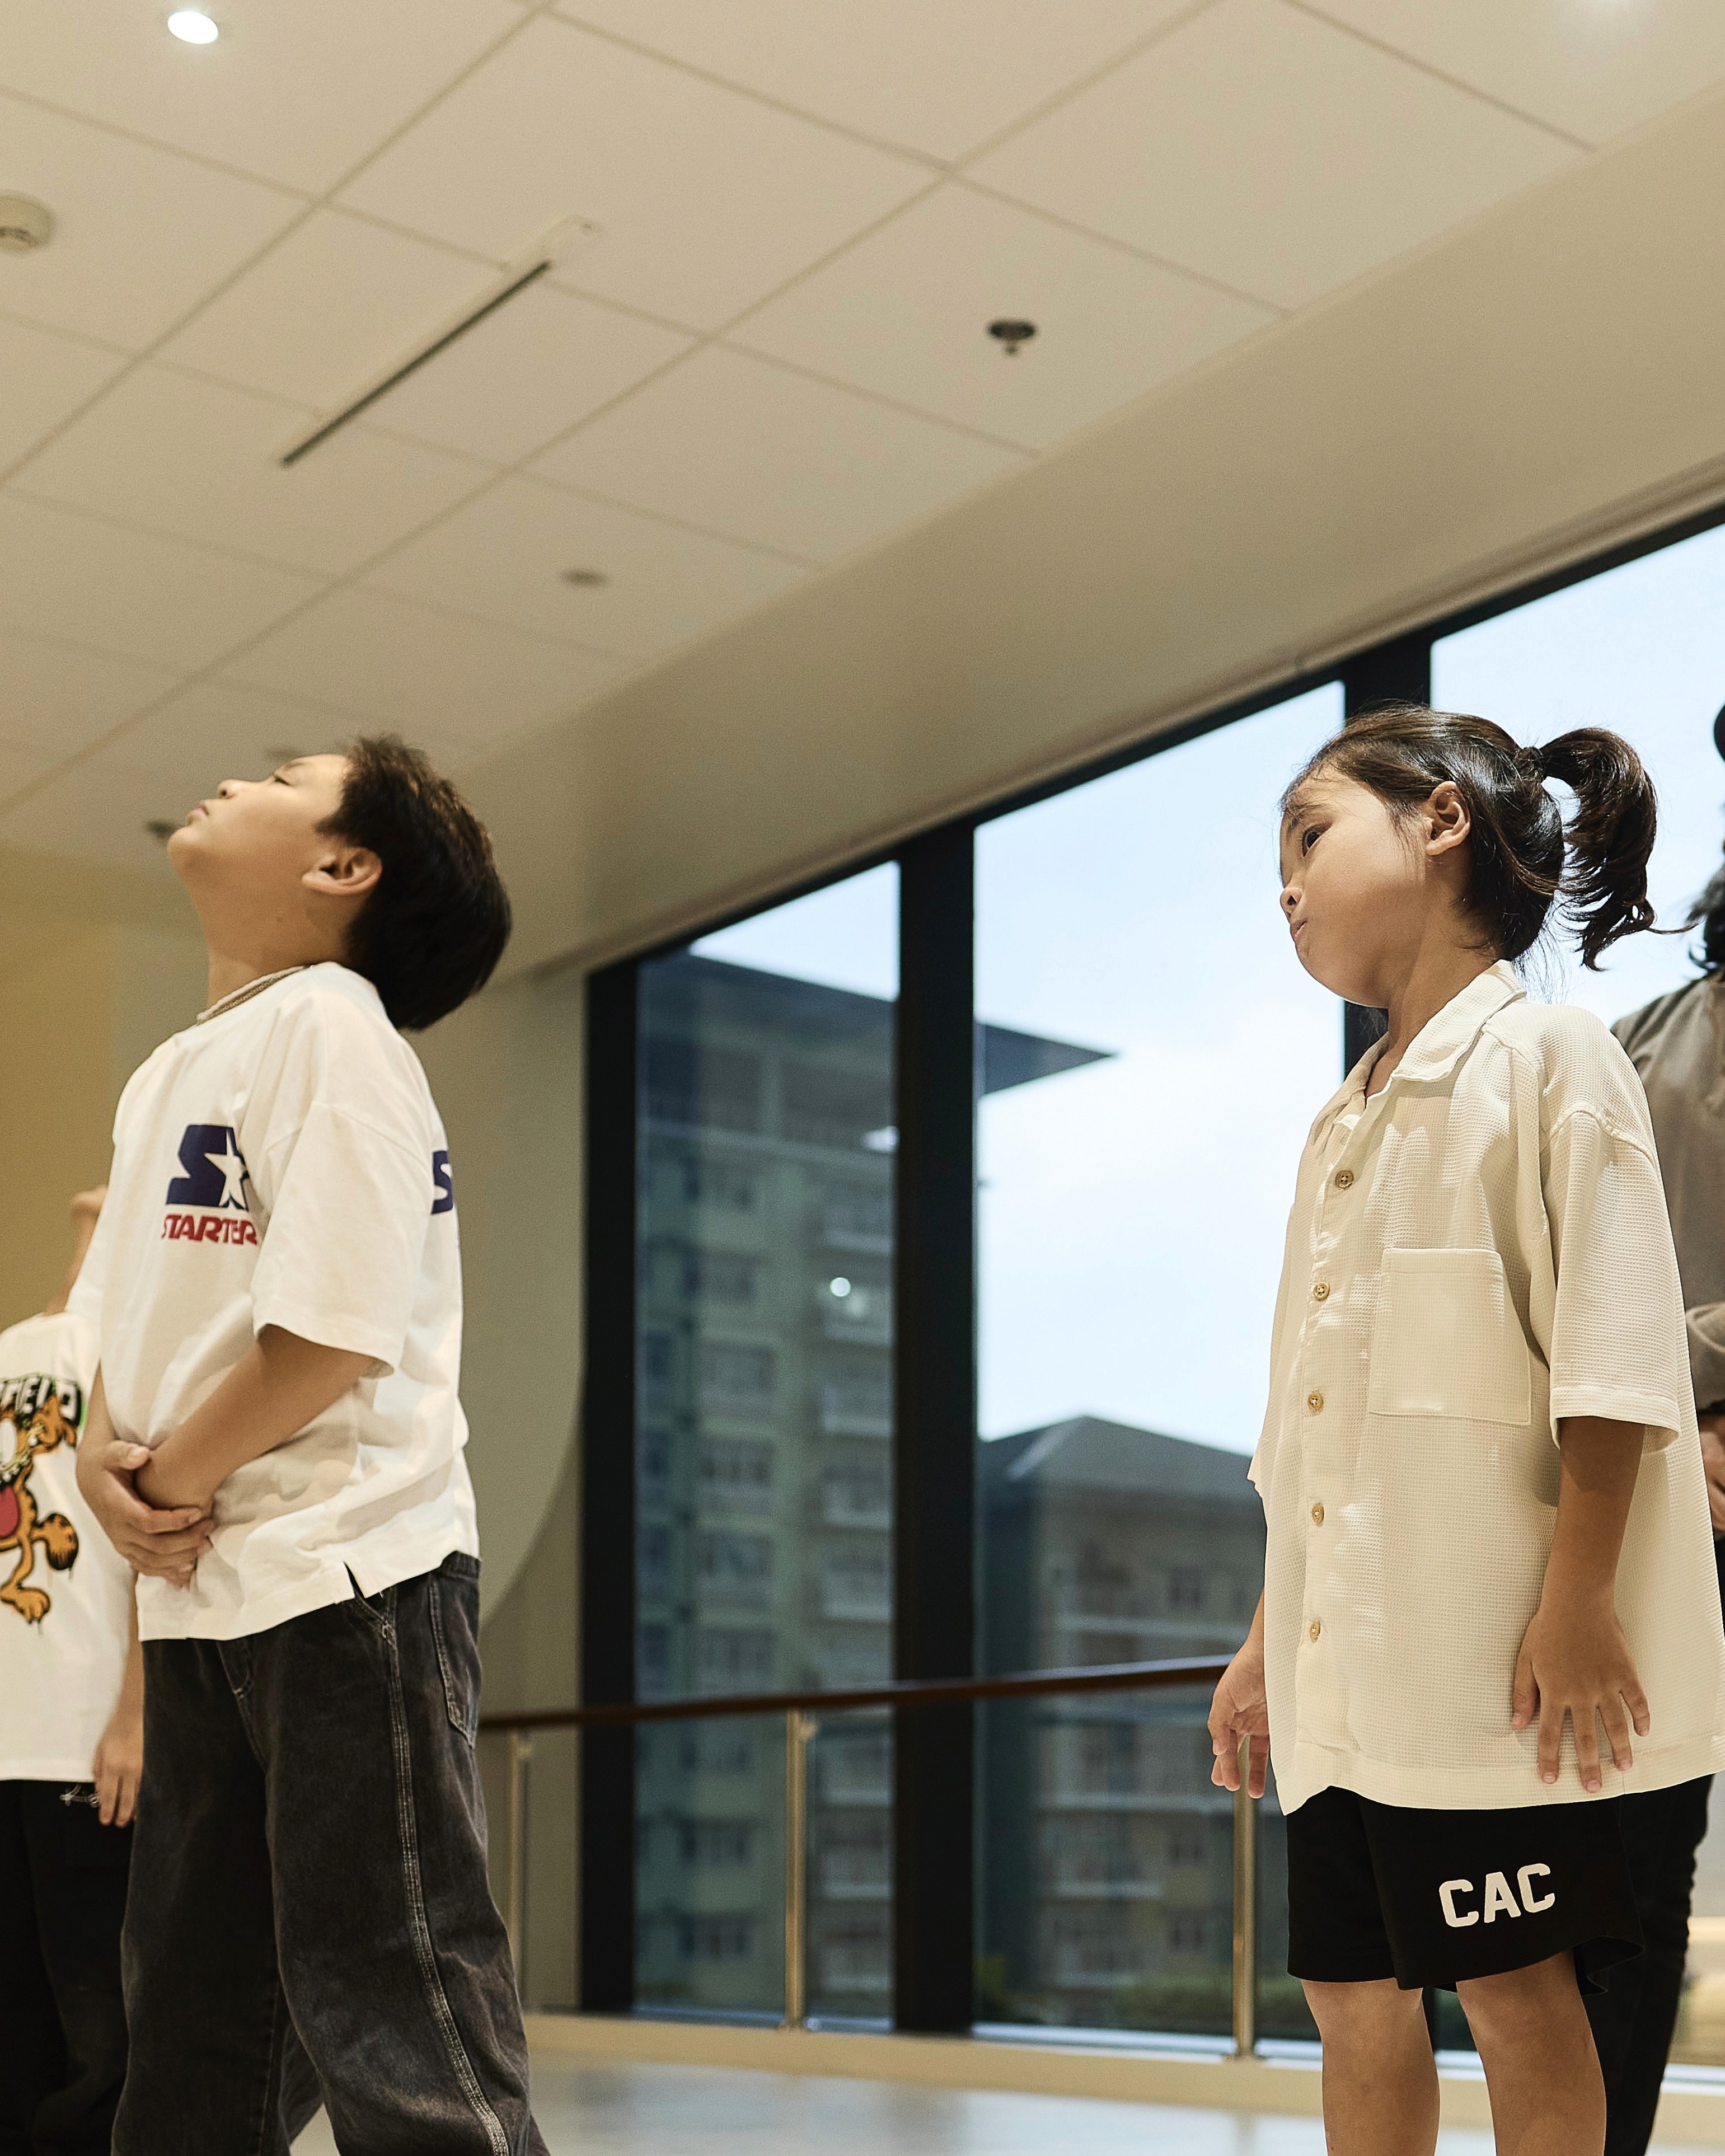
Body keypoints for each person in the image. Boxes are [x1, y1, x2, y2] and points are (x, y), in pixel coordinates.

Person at [1207, 705, 1725, 2156]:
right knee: (1348, 1991)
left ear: (1440, 821)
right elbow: (1311, 1439)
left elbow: (1615, 1365)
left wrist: (1575, 1602)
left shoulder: (1553, 1057)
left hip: (1485, 1666)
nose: (1287, 883)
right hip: (1335, 1679)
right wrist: (1263, 1640)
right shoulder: (1340, 1122)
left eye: (1310, 833)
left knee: (1512, 1984)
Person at [71, 737, 545, 2155]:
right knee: (198, 2021)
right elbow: (119, 1326)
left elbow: (331, 1332)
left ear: (344, 869)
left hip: (349, 1578)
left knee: (391, 2000)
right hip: (207, 1583)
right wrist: (106, 1459)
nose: (229, 779)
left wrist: (166, 1480)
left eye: (284, 776)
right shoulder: (175, 1065)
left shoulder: (335, 1025)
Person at [1591, 799, 1725, 2154]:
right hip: (1658, 1489)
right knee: (1628, 1875)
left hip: (1677, 1454)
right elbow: (1582, 1275)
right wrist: (1675, 1438)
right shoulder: (1645, 1036)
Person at [0, 1186, 139, 2155]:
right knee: (23, 2036)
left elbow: (153, 1553)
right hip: (17, 1739)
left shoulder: (134, 1361)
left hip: (87, 1744)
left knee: (100, 2043)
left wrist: (137, 1716)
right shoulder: (17, 1351)